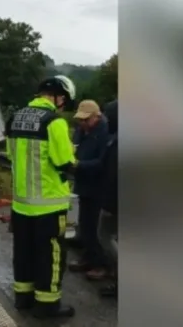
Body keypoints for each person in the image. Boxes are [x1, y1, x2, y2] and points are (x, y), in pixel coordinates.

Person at [5, 75, 78, 319]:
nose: (64, 105)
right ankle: (47, 307)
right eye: (64, 101)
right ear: (58, 96)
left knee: (23, 252)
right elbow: (64, 161)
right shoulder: (53, 121)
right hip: (49, 205)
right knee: (51, 257)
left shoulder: (15, 118)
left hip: (21, 204)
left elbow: (10, 155)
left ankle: (23, 298)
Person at [68, 100, 110, 281]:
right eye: (81, 120)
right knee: (84, 224)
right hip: (83, 183)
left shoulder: (105, 132)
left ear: (97, 116)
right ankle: (88, 257)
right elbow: (73, 147)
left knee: (95, 228)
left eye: (86, 120)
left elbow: (103, 163)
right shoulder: (81, 131)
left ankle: (101, 264)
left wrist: (79, 165)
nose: (82, 123)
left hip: (98, 186)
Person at [97, 99, 118, 297]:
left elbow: (113, 175)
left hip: (115, 201)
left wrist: (109, 204)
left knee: (105, 236)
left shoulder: (116, 141)